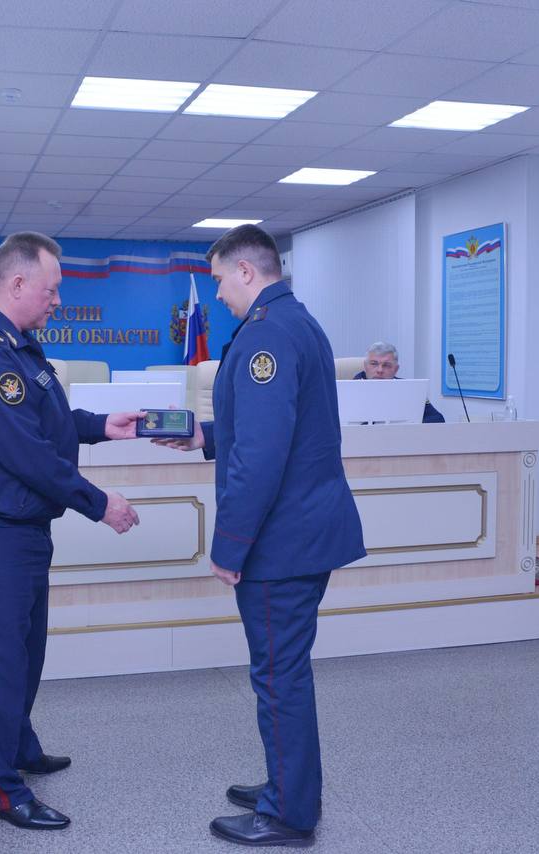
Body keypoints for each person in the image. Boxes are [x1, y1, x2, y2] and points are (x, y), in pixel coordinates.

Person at [155, 224, 365, 848]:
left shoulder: (266, 334)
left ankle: (289, 812)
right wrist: (205, 436)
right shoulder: (297, 321)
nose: (218, 293)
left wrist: (229, 545)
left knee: (278, 677)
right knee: (282, 671)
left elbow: (263, 456)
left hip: (282, 543)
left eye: (220, 279)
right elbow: (272, 428)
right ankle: (288, 783)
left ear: (246, 271)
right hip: (304, 532)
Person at [0, 231, 143, 831]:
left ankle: (19, 747)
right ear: (18, 282)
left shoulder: (20, 347)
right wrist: (99, 504)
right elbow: (26, 453)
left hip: (22, 529)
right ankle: (0, 792)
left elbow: (46, 420)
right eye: (51, 290)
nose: (58, 300)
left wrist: (101, 425)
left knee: (27, 653)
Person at [353, 341, 445, 423]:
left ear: (396, 369)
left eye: (386, 365)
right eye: (374, 364)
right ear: (365, 366)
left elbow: (437, 419)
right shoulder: (351, 390)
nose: (380, 370)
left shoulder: (409, 390)